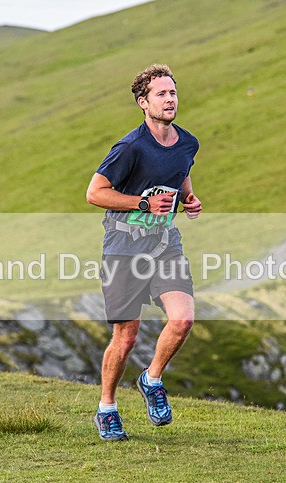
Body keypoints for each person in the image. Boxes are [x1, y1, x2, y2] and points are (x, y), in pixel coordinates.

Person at [86, 64, 202, 441]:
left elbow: (181, 171)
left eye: (173, 93)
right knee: (127, 336)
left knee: (182, 320)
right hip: (123, 249)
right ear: (143, 102)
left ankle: (151, 380)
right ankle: (107, 409)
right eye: (161, 94)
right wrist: (141, 204)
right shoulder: (130, 147)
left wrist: (188, 197)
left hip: (165, 244)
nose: (170, 100)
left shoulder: (188, 142)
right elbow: (95, 193)